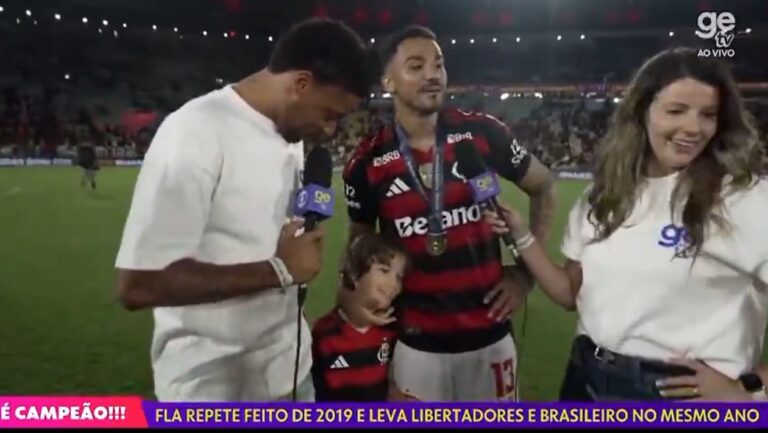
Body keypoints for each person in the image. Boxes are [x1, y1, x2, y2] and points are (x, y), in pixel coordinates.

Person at [485, 47, 768, 401]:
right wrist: (521, 234)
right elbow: (569, 293)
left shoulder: (743, 198)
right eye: (676, 111)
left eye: (708, 114)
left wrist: (750, 388)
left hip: (677, 393)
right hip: (585, 377)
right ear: (641, 112)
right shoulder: (604, 195)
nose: (693, 128)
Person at [113, 18, 373, 402]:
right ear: (301, 84)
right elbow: (138, 284)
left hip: (292, 373)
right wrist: (278, 270)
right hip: (212, 389)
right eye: (330, 115)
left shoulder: (288, 132)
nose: (331, 131)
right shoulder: (194, 131)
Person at [341, 26, 557, 401]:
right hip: (414, 344)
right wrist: (361, 305)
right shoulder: (368, 161)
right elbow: (360, 242)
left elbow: (545, 187)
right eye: (416, 66)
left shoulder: (482, 132)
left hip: (490, 338)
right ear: (388, 81)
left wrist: (525, 275)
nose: (432, 74)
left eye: (438, 64)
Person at [312, 233, 408, 402]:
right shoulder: (325, 333)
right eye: (384, 271)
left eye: (399, 276)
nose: (394, 284)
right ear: (355, 274)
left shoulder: (390, 328)